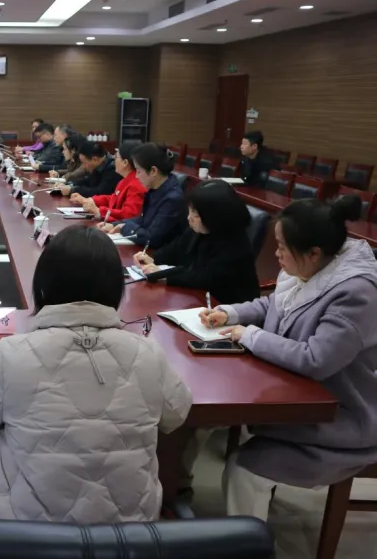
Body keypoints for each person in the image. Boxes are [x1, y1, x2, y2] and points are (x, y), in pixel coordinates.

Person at [0, 226, 192, 523]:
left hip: (28, 539)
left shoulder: (11, 353)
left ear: (44, 286)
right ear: (115, 289)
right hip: (129, 540)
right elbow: (177, 413)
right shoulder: (147, 353)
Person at [198, 195, 377, 522]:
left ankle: (247, 543)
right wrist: (231, 313)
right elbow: (276, 305)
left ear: (313, 253)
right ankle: (178, 489)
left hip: (338, 416)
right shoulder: (311, 267)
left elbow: (316, 359)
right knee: (202, 417)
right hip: (293, 393)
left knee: (243, 469)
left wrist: (251, 336)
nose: (275, 253)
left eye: (282, 246)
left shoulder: (355, 293)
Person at [133, 180, 260, 304]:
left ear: (215, 216)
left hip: (227, 307)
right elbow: (176, 248)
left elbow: (203, 277)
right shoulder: (202, 228)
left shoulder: (235, 245)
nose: (189, 218)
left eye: (196, 214)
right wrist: (153, 258)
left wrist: (162, 274)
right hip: (198, 298)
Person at [99, 142, 186, 248]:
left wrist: (123, 227)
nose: (136, 176)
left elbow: (151, 238)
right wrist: (115, 224)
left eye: (139, 171)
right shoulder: (154, 190)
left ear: (153, 171)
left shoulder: (172, 199)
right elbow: (143, 219)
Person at [75, 142, 146, 224]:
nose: (114, 160)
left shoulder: (136, 185)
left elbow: (128, 215)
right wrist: (92, 200)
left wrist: (99, 211)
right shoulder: (125, 180)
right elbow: (113, 199)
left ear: (125, 163)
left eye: (116, 157)